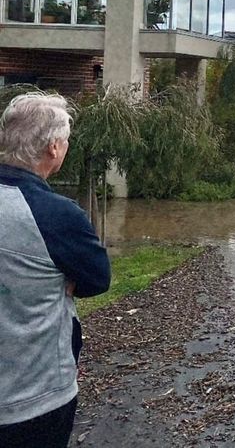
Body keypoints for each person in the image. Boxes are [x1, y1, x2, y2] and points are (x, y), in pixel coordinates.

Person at [0, 93, 111, 448]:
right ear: (53, 149)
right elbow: (97, 279)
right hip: (33, 399)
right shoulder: (57, 215)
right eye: (64, 142)